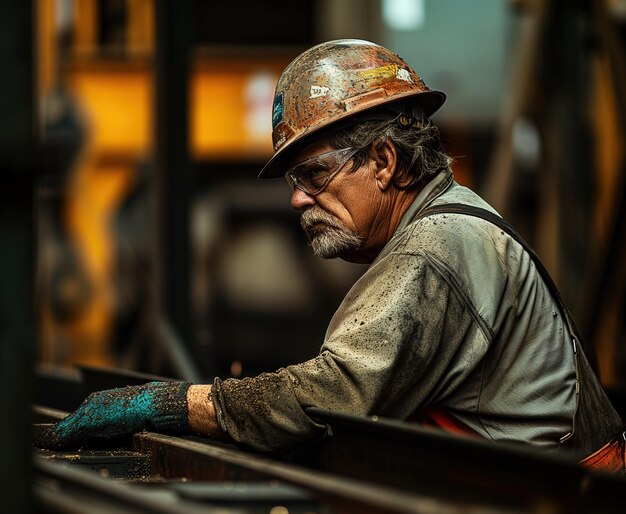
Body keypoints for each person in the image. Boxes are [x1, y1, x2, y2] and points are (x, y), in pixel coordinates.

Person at [44, 39, 624, 469]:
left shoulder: (435, 249)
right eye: (294, 179)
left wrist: (169, 403)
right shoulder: (450, 224)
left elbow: (328, 398)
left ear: (384, 162)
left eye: (315, 173)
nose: (298, 198)